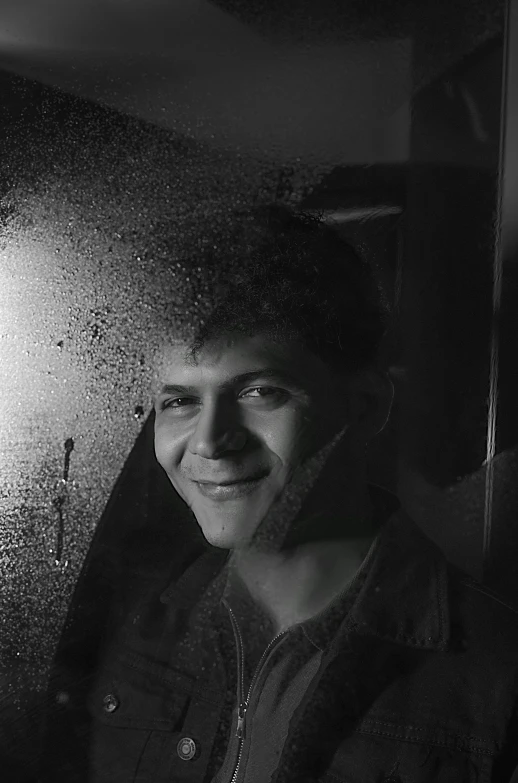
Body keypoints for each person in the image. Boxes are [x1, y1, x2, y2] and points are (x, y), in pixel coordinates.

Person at [42, 206, 518, 782]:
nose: (211, 443)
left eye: (260, 391)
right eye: (179, 402)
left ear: (366, 406)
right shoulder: (137, 625)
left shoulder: (494, 679)